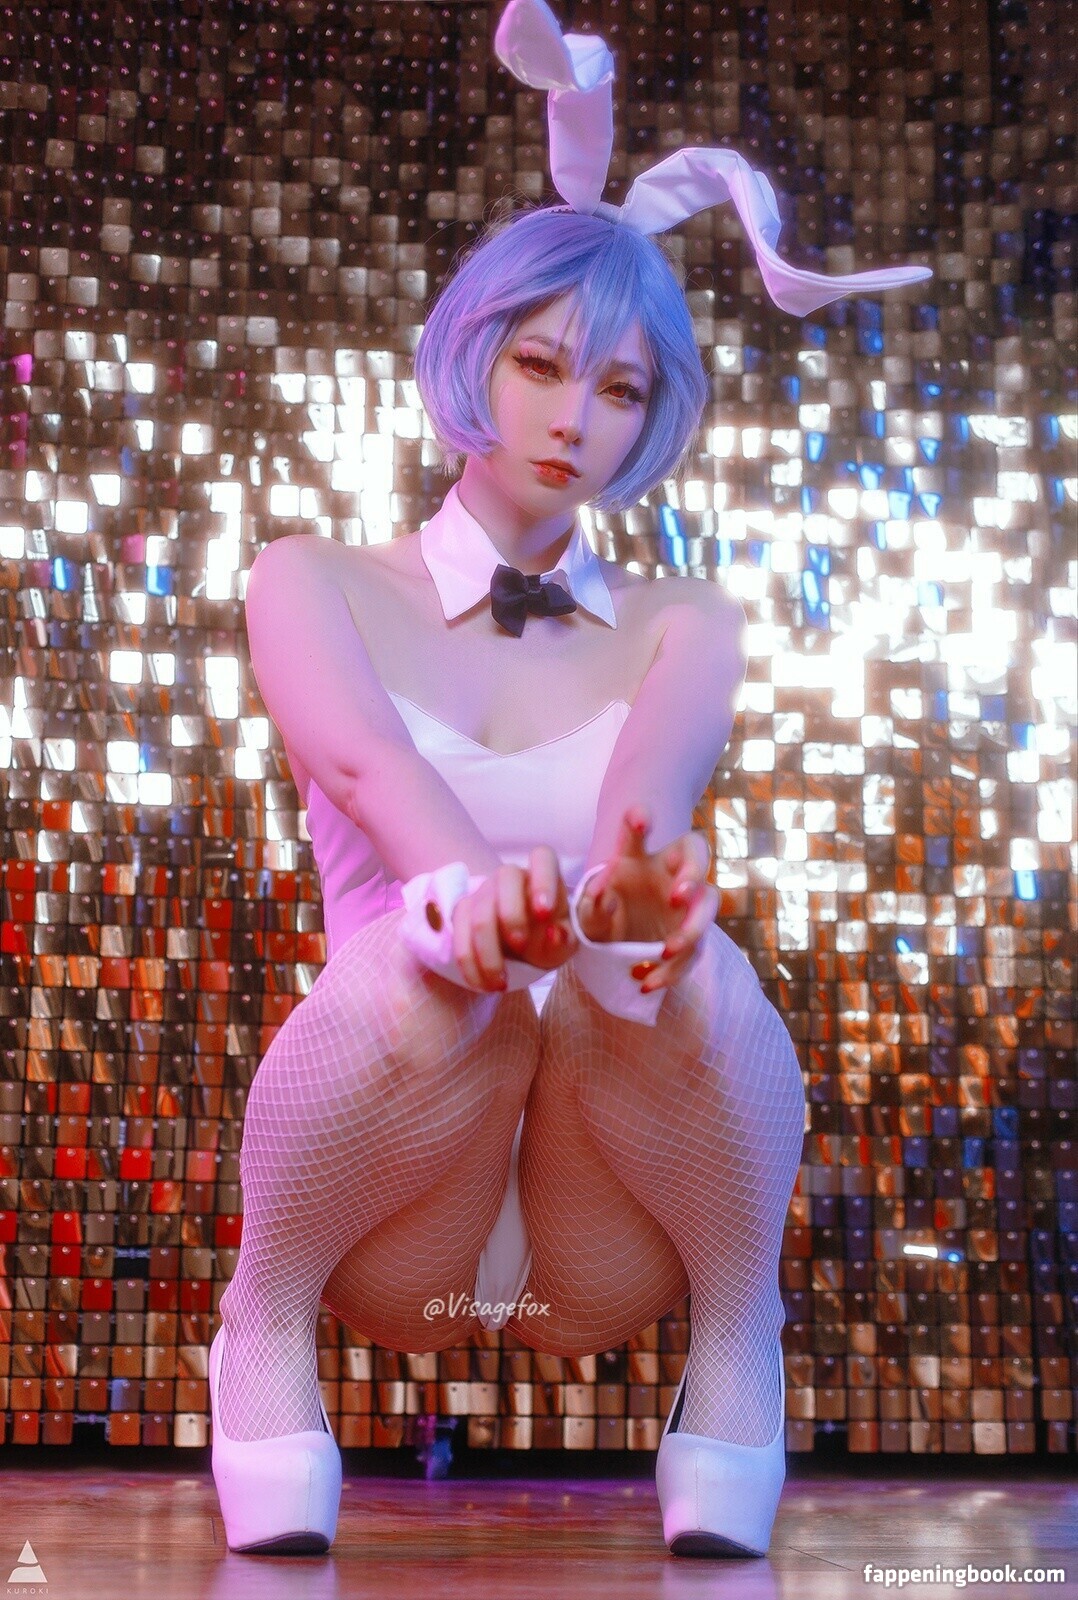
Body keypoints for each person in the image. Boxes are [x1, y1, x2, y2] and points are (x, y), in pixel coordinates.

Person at [206, 0, 930, 1559]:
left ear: (652, 416)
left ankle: (737, 1342)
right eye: (540, 363)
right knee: (427, 961)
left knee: (685, 963)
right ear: (472, 353)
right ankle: (259, 1326)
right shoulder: (310, 580)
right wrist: (471, 909)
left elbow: (634, 832)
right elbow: (369, 767)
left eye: (617, 389)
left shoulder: (687, 622)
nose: (570, 417)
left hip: (606, 1202)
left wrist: (641, 913)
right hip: (396, 1174)